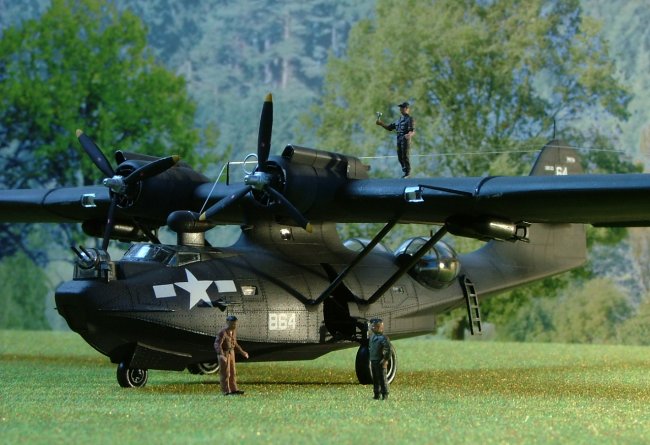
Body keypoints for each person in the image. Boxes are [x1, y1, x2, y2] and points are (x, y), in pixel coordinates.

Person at [376, 102, 415, 178]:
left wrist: (409, 134)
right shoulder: (398, 120)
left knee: (405, 155)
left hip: (405, 140)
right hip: (399, 140)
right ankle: (404, 169)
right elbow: (389, 128)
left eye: (402, 107)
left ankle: (408, 173)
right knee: (400, 156)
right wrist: (381, 124)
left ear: (407, 109)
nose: (401, 109)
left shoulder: (410, 119)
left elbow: (412, 130)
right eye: (400, 108)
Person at [214, 315, 249, 395]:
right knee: (225, 373)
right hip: (224, 353)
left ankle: (234, 389)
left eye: (235, 323)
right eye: (232, 323)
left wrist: (242, 352)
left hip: (231, 352)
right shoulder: (222, 332)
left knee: (232, 372)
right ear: (227, 323)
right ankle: (226, 391)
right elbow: (217, 344)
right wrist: (221, 355)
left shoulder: (233, 332)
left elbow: (235, 343)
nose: (234, 325)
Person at [368, 318, 392, 400]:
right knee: (375, 379)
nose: (372, 328)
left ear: (379, 327)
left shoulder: (383, 338)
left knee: (382, 379)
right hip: (373, 360)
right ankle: (376, 393)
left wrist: (385, 359)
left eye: (374, 326)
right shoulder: (372, 337)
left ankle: (385, 394)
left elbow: (388, 349)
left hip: (380, 361)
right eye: (372, 326)